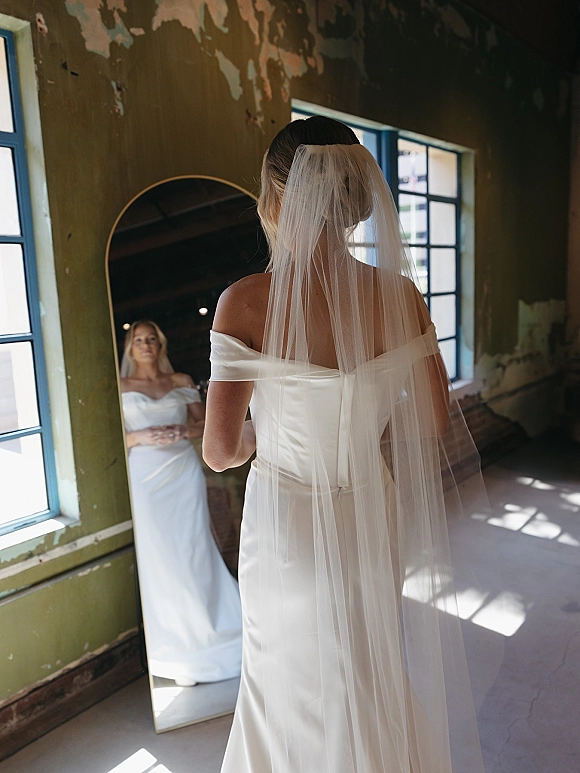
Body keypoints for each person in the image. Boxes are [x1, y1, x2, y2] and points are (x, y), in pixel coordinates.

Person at [203, 116, 488, 772]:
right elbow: (431, 421)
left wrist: (260, 434)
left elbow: (220, 450)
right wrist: (360, 426)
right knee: (366, 674)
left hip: (285, 528)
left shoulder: (244, 302)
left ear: (276, 196)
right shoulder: (401, 295)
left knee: (285, 690)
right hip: (368, 513)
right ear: (357, 196)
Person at [120, 320, 242, 687]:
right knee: (159, 554)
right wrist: (138, 435)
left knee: (192, 548)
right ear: (130, 347)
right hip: (144, 477)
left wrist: (181, 432)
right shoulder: (120, 386)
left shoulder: (182, 382)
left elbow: (206, 427)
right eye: (139, 340)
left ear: (161, 344)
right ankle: (174, 642)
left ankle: (216, 626)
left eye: (152, 338)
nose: (145, 344)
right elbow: (113, 438)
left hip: (182, 472)